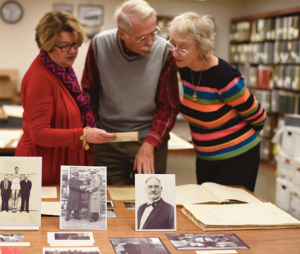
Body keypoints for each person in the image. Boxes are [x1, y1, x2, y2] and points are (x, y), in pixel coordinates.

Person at [81, 0, 180, 185]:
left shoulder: (164, 50)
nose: (151, 42)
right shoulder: (99, 45)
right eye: (143, 37)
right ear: (122, 34)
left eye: (153, 33)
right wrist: (92, 131)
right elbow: (88, 94)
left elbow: (169, 106)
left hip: (149, 139)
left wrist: (150, 143)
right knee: (107, 204)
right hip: (107, 140)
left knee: (151, 203)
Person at [167, 12, 267, 192]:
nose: (174, 52)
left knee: (229, 215)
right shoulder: (186, 68)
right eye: (172, 44)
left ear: (201, 47)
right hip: (205, 158)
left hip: (238, 158)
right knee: (207, 209)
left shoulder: (225, 77)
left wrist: (231, 139)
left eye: (183, 47)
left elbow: (259, 118)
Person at [15, 11, 116, 185]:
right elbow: (39, 134)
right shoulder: (41, 77)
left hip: (60, 158)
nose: (73, 51)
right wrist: (84, 134)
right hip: (43, 164)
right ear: (47, 45)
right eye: (65, 46)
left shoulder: (62, 69)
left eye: (76, 44)